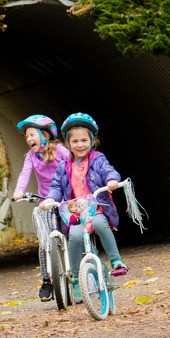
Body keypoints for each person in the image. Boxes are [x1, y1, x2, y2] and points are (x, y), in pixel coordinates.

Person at [40, 112, 128, 304]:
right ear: (68, 144)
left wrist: (112, 180)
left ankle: (116, 260)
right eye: (75, 141)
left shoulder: (97, 159)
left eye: (84, 140)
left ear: (92, 141)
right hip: (75, 214)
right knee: (75, 237)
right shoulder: (64, 166)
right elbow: (55, 187)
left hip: (96, 208)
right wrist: (49, 200)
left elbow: (108, 170)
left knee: (100, 223)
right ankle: (76, 281)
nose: (80, 145)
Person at [12, 115, 70, 302]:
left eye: (32, 135)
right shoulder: (30, 157)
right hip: (45, 202)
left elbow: (73, 165)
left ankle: (78, 273)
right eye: (27, 136)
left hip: (66, 200)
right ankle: (47, 280)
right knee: (46, 242)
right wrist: (19, 191)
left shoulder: (60, 150)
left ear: (45, 134)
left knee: (73, 236)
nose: (29, 139)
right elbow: (24, 173)